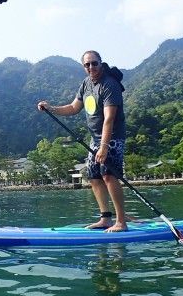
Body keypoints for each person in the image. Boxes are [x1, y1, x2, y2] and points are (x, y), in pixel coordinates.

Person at [37, 50, 128, 232]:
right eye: (87, 65)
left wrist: (103, 146)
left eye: (94, 63)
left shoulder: (110, 85)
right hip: (95, 139)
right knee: (94, 177)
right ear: (83, 67)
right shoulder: (86, 84)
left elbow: (109, 118)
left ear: (101, 63)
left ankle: (121, 222)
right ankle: (105, 219)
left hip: (112, 138)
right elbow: (73, 108)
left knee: (109, 175)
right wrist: (50, 108)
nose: (91, 67)